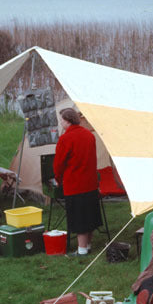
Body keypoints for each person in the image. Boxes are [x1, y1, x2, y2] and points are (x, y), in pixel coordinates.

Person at [52, 107, 100, 256]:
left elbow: (58, 164)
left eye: (61, 120)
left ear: (67, 121)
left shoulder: (66, 139)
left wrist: (58, 179)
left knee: (80, 219)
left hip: (75, 185)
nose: (61, 123)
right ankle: (88, 245)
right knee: (90, 216)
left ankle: (82, 250)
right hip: (91, 183)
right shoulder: (89, 135)